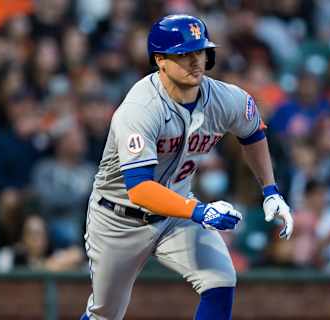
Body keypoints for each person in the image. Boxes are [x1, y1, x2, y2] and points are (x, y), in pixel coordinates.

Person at [80, 15, 294, 320]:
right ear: (160, 60)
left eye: (200, 52)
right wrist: (201, 212)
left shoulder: (225, 98)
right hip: (118, 218)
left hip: (177, 213)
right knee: (105, 314)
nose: (195, 61)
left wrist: (270, 191)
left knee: (221, 280)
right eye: (183, 54)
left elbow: (253, 133)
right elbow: (140, 189)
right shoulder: (139, 109)